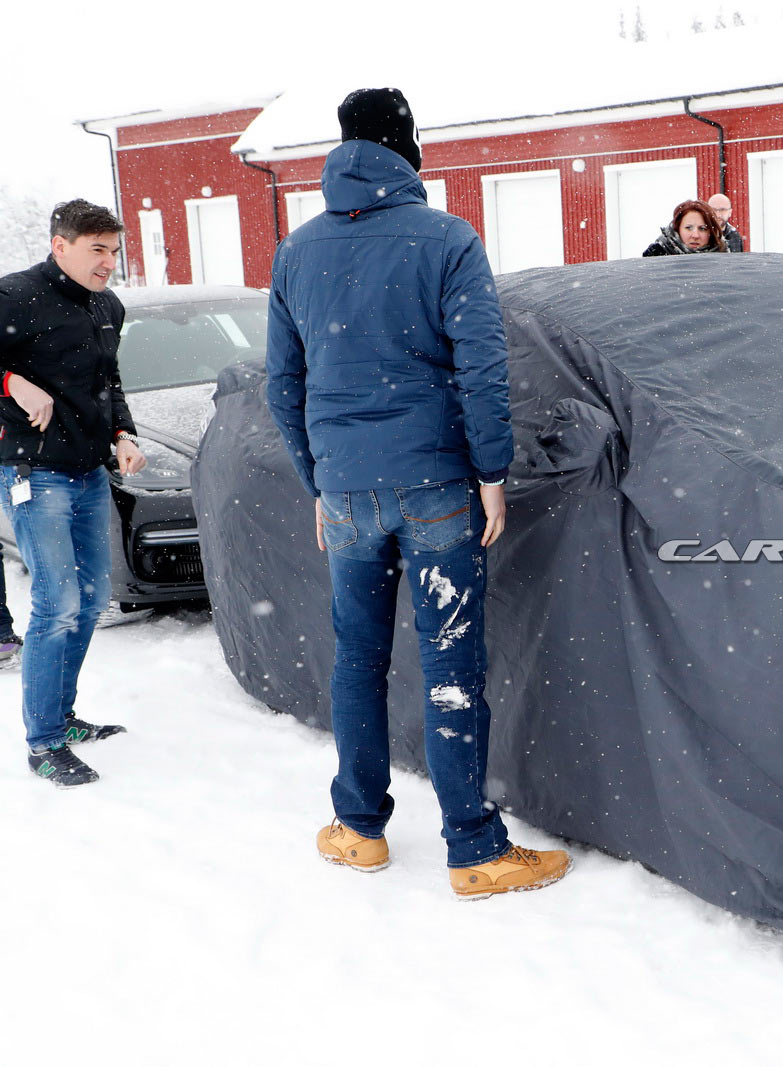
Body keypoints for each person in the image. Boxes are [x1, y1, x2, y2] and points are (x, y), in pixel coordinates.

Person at [267, 87, 570, 900]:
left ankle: (359, 829)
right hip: (435, 484)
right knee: (450, 661)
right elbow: (481, 366)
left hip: (348, 493)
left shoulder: (296, 252)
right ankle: (473, 845)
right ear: (409, 149)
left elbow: (283, 386)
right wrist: (492, 472)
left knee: (358, 661)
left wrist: (319, 481)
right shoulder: (447, 240)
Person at [0, 199, 143, 787]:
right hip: (34, 474)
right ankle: (43, 743)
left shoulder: (107, 305)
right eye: (97, 251)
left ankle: (61, 718)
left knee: (89, 601)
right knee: (56, 603)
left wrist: (122, 432)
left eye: (114, 250)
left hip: (89, 473)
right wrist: (13, 382)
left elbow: (108, 381)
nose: (109, 263)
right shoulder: (15, 296)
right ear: (61, 245)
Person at [642, 199, 727, 256]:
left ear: (710, 232)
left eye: (702, 229)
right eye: (688, 228)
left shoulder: (723, 259)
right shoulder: (656, 256)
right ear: (677, 229)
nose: (695, 235)